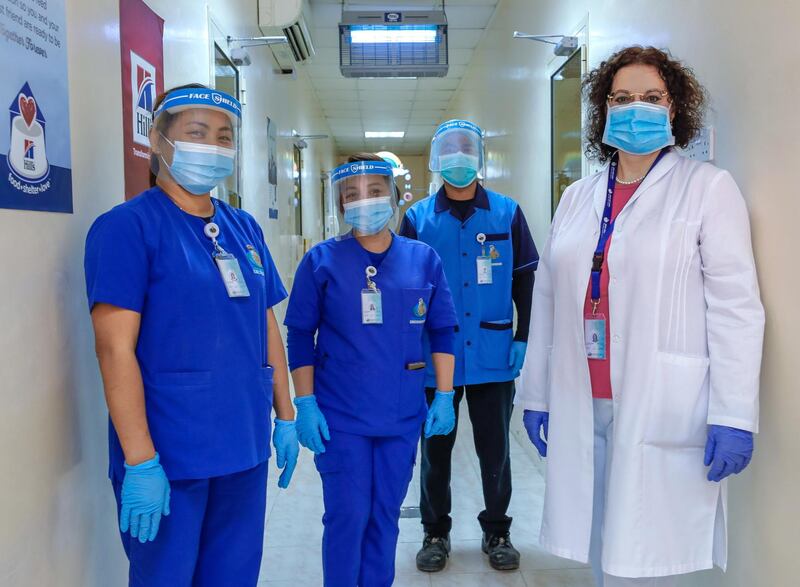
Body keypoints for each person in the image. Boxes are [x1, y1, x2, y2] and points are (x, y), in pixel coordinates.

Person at [517, 47, 765, 587]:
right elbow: (549, 301)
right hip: (584, 393)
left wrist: (735, 413)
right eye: (622, 98)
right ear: (603, 109)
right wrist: (536, 394)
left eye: (652, 97)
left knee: (650, 557)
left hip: (663, 401)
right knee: (606, 548)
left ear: (674, 109)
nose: (637, 109)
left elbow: (735, 307)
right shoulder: (577, 198)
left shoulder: (707, 189)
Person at [84, 84, 298, 586]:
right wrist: (139, 461)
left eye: (224, 136)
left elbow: (265, 323)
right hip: (169, 457)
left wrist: (285, 414)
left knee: (233, 577)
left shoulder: (244, 228)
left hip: (243, 448)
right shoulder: (126, 229)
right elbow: (113, 348)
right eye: (197, 133)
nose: (214, 146)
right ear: (158, 140)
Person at [284, 154, 459, 586]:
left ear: (395, 195)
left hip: (400, 416)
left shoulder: (423, 259)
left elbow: (443, 330)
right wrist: (304, 402)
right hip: (341, 417)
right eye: (352, 195)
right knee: (347, 515)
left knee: (384, 516)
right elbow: (300, 334)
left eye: (376, 191)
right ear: (340, 205)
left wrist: (444, 395)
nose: (365, 202)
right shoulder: (321, 261)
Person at [399, 120, 539, 572]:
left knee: (495, 449)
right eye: (449, 150)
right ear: (438, 158)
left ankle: (497, 529)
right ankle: (434, 532)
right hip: (434, 356)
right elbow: (405, 287)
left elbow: (524, 279)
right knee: (435, 450)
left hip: (493, 352)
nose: (458, 158)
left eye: (466, 148)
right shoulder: (418, 218)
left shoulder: (506, 212)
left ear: (479, 156)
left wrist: (523, 335)